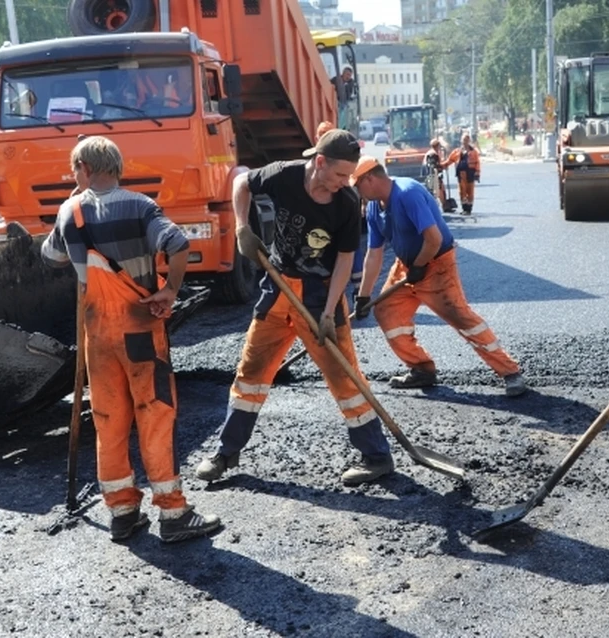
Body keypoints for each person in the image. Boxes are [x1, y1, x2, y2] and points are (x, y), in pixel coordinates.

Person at [41, 136, 221, 544]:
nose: (74, 177)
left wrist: (72, 202)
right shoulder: (140, 207)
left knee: (109, 421)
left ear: (85, 168)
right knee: (154, 416)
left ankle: (122, 513)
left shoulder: (70, 211)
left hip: (97, 336)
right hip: (139, 329)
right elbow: (177, 244)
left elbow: (50, 257)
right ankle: (173, 514)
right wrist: (170, 291)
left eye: (75, 170)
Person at [195, 129, 394, 486]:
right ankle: (227, 452)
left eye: (348, 176)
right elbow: (241, 183)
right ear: (319, 162)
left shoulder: (347, 202)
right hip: (279, 286)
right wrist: (242, 228)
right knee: (251, 373)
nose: (344, 182)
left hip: (321, 292)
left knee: (345, 377)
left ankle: (377, 457)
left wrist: (329, 312)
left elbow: (346, 262)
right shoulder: (283, 175)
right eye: (338, 174)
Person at [351, 155, 527, 397]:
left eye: (357, 184)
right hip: (407, 265)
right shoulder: (373, 207)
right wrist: (363, 296)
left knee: (461, 318)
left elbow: (433, 239)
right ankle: (421, 369)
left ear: (369, 178)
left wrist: (421, 265)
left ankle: (510, 373)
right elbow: (374, 254)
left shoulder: (408, 193)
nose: (356, 190)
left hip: (436, 264)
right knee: (386, 311)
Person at [317, 120, 365, 293]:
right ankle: (357, 287)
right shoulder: (325, 160)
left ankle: (355, 287)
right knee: (349, 246)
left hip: (338, 212)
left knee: (348, 247)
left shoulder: (336, 160)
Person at [441, 132, 480, 215]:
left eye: (467, 140)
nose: (465, 141)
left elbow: (477, 163)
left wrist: (477, 173)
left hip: (470, 173)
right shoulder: (457, 151)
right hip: (461, 174)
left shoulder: (474, 152)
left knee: (470, 191)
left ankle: (469, 208)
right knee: (462, 191)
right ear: (461, 140)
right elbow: (450, 160)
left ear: (469, 141)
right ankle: (464, 208)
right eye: (463, 140)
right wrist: (442, 166)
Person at [423, 138, 449, 210]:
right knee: (438, 190)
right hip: (433, 176)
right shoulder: (433, 154)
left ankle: (444, 204)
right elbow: (434, 166)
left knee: (439, 189)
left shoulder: (431, 153)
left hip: (430, 175)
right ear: (437, 146)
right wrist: (443, 166)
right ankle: (442, 205)